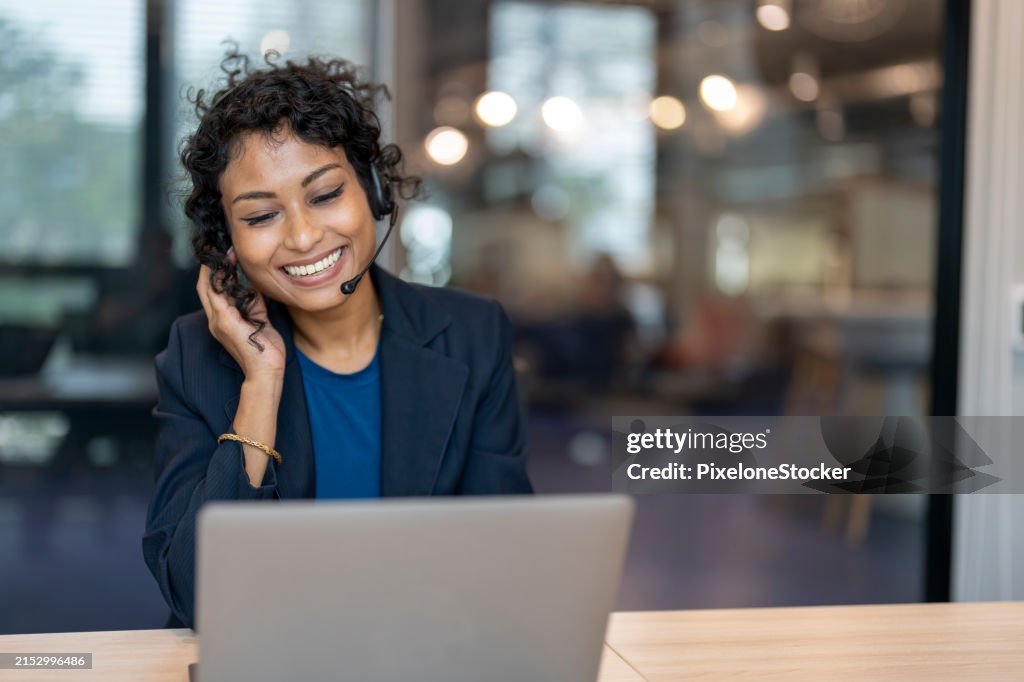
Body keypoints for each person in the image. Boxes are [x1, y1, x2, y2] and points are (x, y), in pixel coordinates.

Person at [142, 51, 533, 629]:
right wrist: (261, 381)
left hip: (421, 649)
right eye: (260, 216)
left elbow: (503, 560)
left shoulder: (473, 335)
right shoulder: (196, 354)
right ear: (227, 243)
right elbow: (194, 592)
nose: (303, 237)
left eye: (325, 195)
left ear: (373, 190)